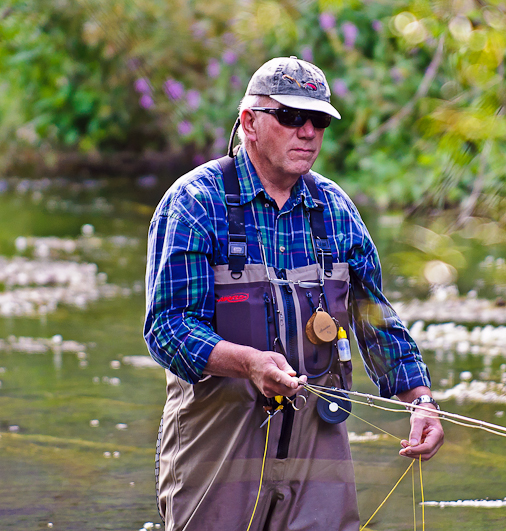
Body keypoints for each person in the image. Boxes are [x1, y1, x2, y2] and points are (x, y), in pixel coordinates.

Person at [143, 56, 444, 531]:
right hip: (219, 448)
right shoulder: (195, 202)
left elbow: (375, 318)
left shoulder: (336, 209)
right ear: (249, 122)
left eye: (318, 120)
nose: (307, 132)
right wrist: (249, 363)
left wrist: (420, 401)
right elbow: (168, 328)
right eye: (290, 116)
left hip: (318, 448)